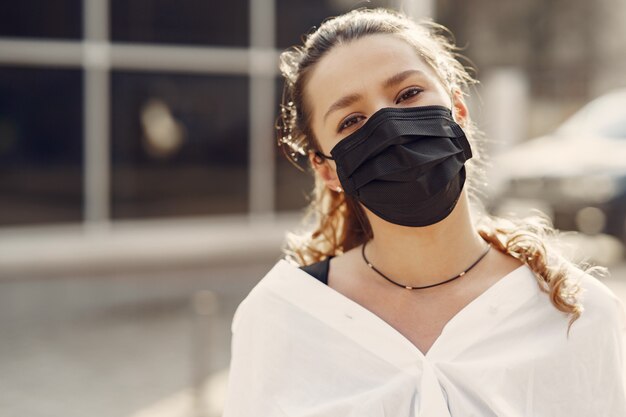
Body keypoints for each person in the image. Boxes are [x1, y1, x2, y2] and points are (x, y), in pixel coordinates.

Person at [222, 8, 626, 417]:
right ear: (327, 170)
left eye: (408, 94)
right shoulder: (281, 318)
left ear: (460, 111)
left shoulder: (577, 314)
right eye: (352, 120)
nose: (391, 126)